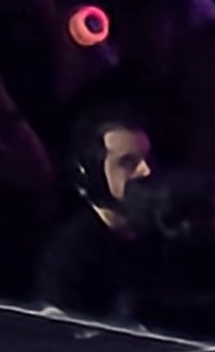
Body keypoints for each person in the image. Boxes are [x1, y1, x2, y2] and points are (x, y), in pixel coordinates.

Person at [33, 106, 160, 317]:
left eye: (148, 159)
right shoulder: (70, 254)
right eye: (128, 162)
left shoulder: (163, 234)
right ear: (93, 173)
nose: (146, 171)